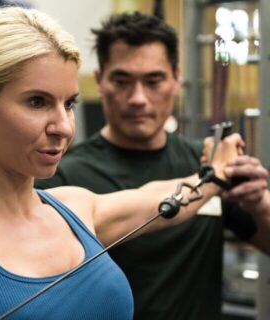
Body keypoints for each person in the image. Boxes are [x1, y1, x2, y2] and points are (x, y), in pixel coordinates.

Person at [0, 7, 243, 320]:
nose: (64, 127)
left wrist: (216, 172)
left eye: (69, 104)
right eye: (37, 102)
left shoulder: (75, 208)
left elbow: (161, 199)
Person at [36, 11, 270, 320]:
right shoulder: (63, 175)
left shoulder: (205, 162)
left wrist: (260, 205)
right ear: (100, 81)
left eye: (153, 80)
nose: (138, 98)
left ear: (176, 78)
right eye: (122, 80)